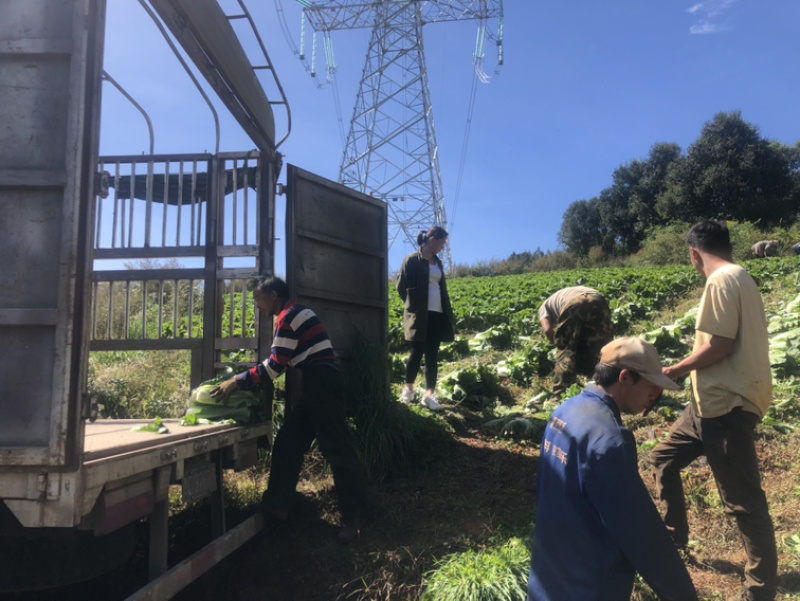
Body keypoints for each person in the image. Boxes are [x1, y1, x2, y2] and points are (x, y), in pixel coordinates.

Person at [650, 220, 777, 601]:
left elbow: (720, 344)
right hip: (708, 405)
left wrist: (674, 369)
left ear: (693, 253)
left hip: (726, 406)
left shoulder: (721, 281)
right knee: (662, 458)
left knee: (743, 502)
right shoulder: (744, 277)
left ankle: (760, 591)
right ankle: (675, 541)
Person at [528, 337, 697, 601]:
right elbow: (640, 532)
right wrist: (682, 594)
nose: (654, 397)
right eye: (651, 387)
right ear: (626, 378)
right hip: (588, 583)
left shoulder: (565, 411)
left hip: (550, 571)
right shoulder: (609, 440)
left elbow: (544, 484)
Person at [213, 276, 370, 545]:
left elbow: (274, 367)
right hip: (318, 381)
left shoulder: (287, 317)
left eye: (258, 299)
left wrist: (237, 381)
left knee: (337, 448)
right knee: (288, 441)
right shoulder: (296, 311)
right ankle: (278, 505)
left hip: (322, 381)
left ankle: (355, 518)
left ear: (274, 295)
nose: (257, 305)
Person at [396, 225, 456, 411]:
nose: (442, 247)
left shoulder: (438, 263)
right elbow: (401, 286)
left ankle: (429, 395)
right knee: (416, 351)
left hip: (438, 313)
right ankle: (408, 390)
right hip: (419, 314)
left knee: (432, 354)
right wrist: (413, 306)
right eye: (441, 243)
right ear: (432, 240)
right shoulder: (412, 260)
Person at [538, 286, 613, 396]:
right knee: (602, 346)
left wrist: (559, 344)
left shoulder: (543, 308)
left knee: (566, 347)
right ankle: (610, 386)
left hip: (575, 302)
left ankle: (561, 392)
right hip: (598, 298)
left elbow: (548, 330)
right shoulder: (558, 298)